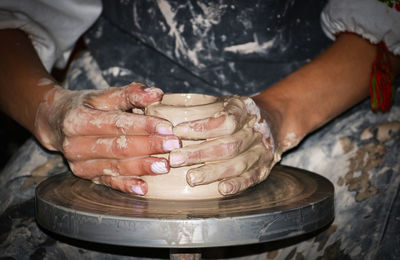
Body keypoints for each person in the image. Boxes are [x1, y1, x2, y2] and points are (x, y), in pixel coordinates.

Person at [0, 0, 399, 259]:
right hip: (113, 100)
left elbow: (383, 22)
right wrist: (52, 114)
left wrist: (277, 117)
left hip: (318, 95)